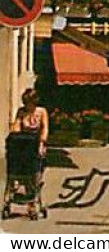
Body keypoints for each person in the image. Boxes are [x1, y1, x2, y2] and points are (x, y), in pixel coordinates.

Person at [11, 88, 49, 220]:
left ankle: (32, 201)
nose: (28, 105)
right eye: (26, 103)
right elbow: (16, 126)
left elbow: (45, 128)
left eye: (30, 102)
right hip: (24, 145)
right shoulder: (21, 112)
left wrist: (42, 143)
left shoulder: (41, 112)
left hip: (36, 143)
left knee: (35, 174)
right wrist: (15, 133)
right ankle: (28, 200)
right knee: (25, 172)